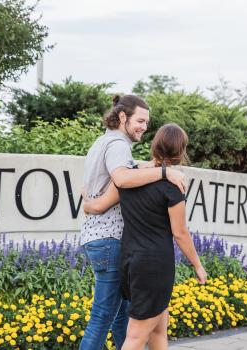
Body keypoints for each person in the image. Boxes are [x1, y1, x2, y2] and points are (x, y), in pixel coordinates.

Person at [84, 123, 207, 350]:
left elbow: (100, 204)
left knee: (159, 329)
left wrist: (86, 203)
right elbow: (180, 233)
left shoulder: (131, 177)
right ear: (180, 151)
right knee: (136, 337)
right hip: (154, 266)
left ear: (155, 145)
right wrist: (198, 266)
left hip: (131, 262)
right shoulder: (173, 186)